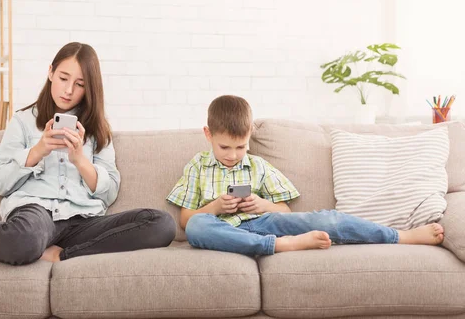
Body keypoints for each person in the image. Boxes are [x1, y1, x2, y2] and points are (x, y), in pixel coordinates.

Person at [0, 42, 176, 265]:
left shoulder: (98, 130)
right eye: (63, 78)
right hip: (37, 215)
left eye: (79, 84)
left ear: (89, 88)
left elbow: (109, 192)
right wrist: (38, 151)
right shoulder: (23, 121)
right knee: (22, 239)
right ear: (50, 73)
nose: (68, 90)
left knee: (161, 224)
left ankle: (61, 254)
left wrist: (80, 160)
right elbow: (2, 183)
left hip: (84, 219)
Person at [166, 95, 444, 255]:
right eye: (224, 147)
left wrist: (262, 204)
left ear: (249, 136)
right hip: (225, 230)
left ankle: (400, 236)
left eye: (241, 147)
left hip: (264, 221)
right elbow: (186, 220)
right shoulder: (197, 167)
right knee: (197, 228)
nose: (232, 154)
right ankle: (280, 246)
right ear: (208, 135)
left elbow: (285, 210)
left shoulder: (258, 165)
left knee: (326, 219)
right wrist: (216, 207)